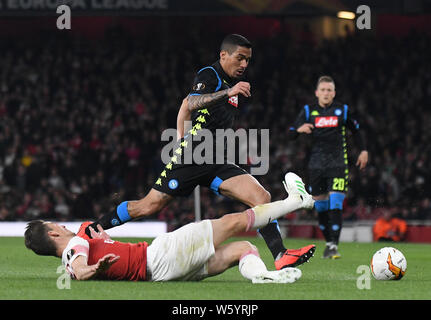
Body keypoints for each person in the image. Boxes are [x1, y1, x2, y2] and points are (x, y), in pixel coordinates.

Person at [85, 34, 314, 270]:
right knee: (148, 206)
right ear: (224, 55)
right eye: (240, 58)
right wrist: (225, 96)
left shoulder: (228, 83)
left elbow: (184, 105)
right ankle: (91, 230)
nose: (244, 64)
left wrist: (178, 135)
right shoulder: (209, 74)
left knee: (261, 197)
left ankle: (281, 256)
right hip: (194, 155)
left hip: (216, 160)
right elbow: (193, 102)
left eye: (248, 60)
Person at [25, 172, 315, 283]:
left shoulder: (80, 242)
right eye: (56, 224)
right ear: (52, 234)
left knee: (244, 248)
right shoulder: (75, 247)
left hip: (165, 274)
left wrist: (98, 253)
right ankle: (296, 201)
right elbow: (79, 267)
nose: (61, 224)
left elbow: (78, 264)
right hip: (160, 256)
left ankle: (261, 275)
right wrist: (91, 269)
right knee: (234, 222)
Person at [287, 76, 369, 259]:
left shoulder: (342, 110)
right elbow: (291, 133)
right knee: (321, 208)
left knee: (336, 203)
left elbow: (356, 130)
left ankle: (333, 245)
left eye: (329, 90)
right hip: (316, 165)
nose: (326, 93)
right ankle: (328, 244)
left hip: (338, 163)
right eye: (323, 90)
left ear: (334, 93)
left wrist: (363, 150)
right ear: (317, 92)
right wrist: (299, 130)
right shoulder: (308, 111)